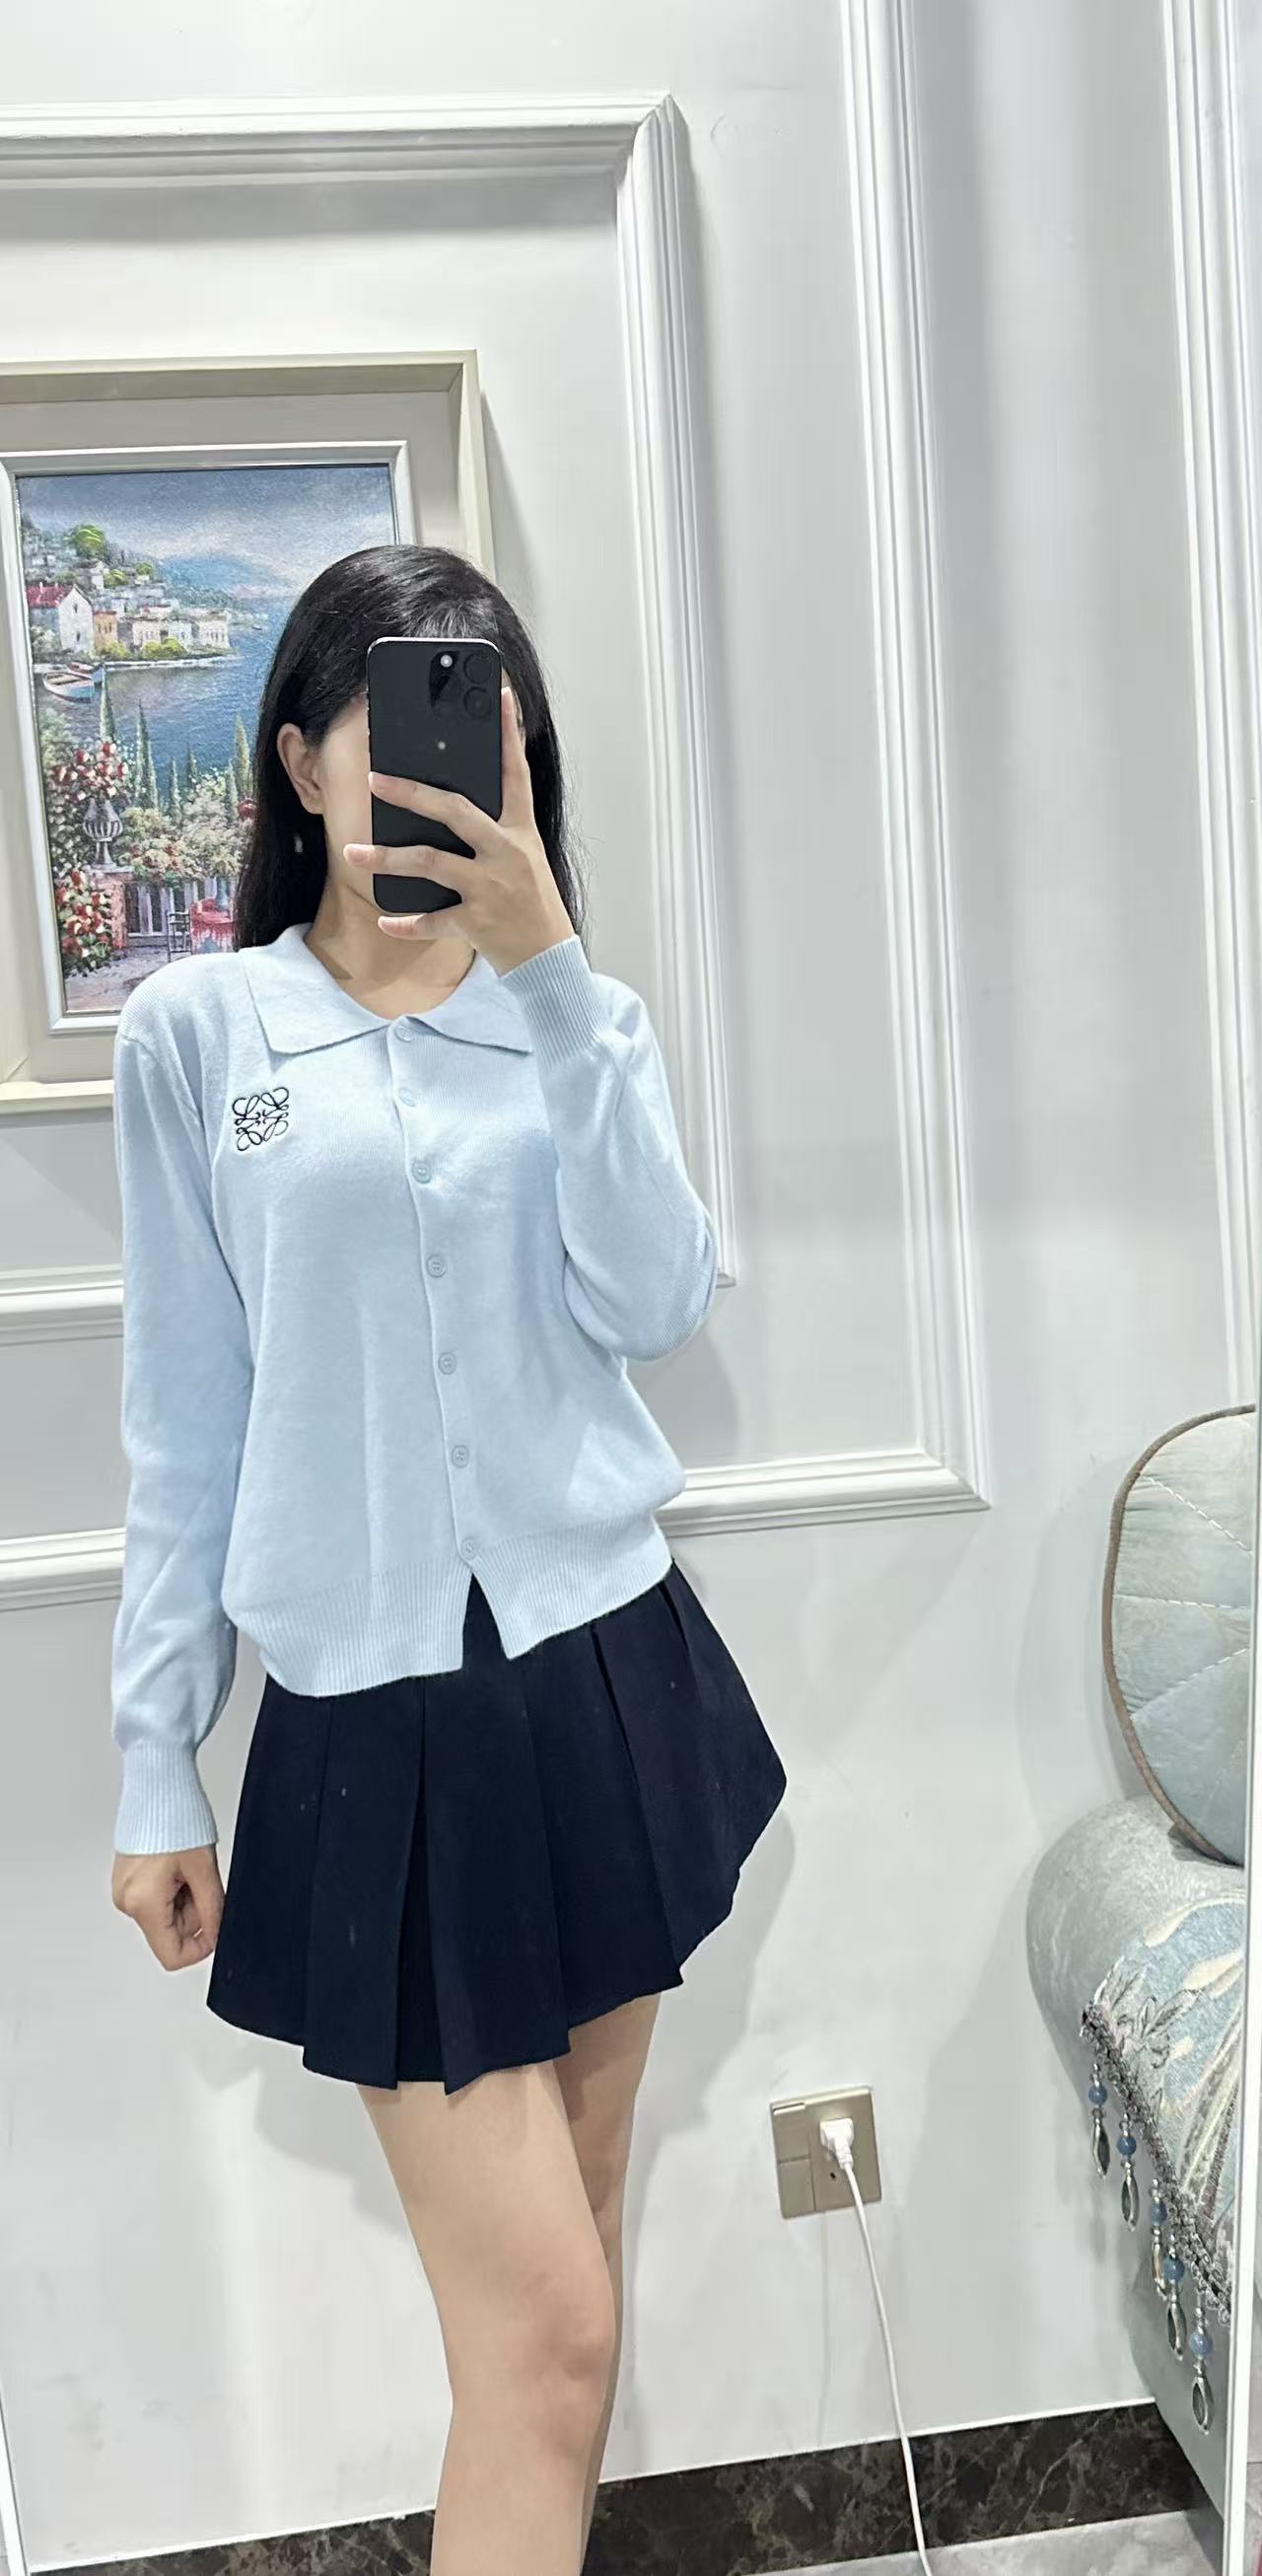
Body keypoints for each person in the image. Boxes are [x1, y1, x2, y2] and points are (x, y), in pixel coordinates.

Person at [107, 540, 787, 2574]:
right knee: (549, 2338)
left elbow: (653, 1298)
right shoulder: (200, 1036)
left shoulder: (571, 1017)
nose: (430, 777)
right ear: (301, 760)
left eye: (484, 741)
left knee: (564, 2295)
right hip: (374, 1729)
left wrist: (555, 972)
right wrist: (155, 1757)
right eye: (390, 729)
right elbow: (186, 1418)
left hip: (605, 1676)